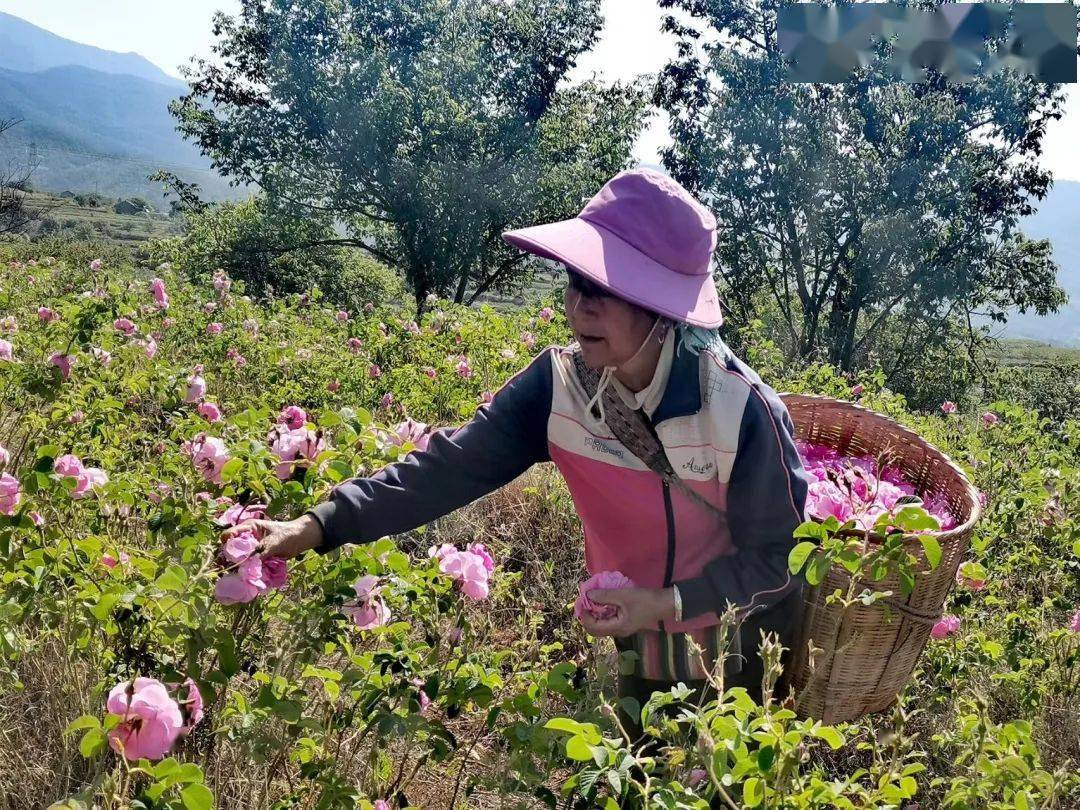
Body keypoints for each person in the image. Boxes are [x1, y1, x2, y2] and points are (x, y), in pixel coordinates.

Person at [220, 167, 813, 738]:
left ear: (663, 311)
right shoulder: (560, 390)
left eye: (605, 291)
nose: (580, 306)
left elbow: (781, 559)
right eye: (577, 283)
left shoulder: (739, 410)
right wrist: (319, 524)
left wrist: (663, 602)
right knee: (642, 771)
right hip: (641, 642)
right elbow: (449, 466)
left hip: (738, 653)